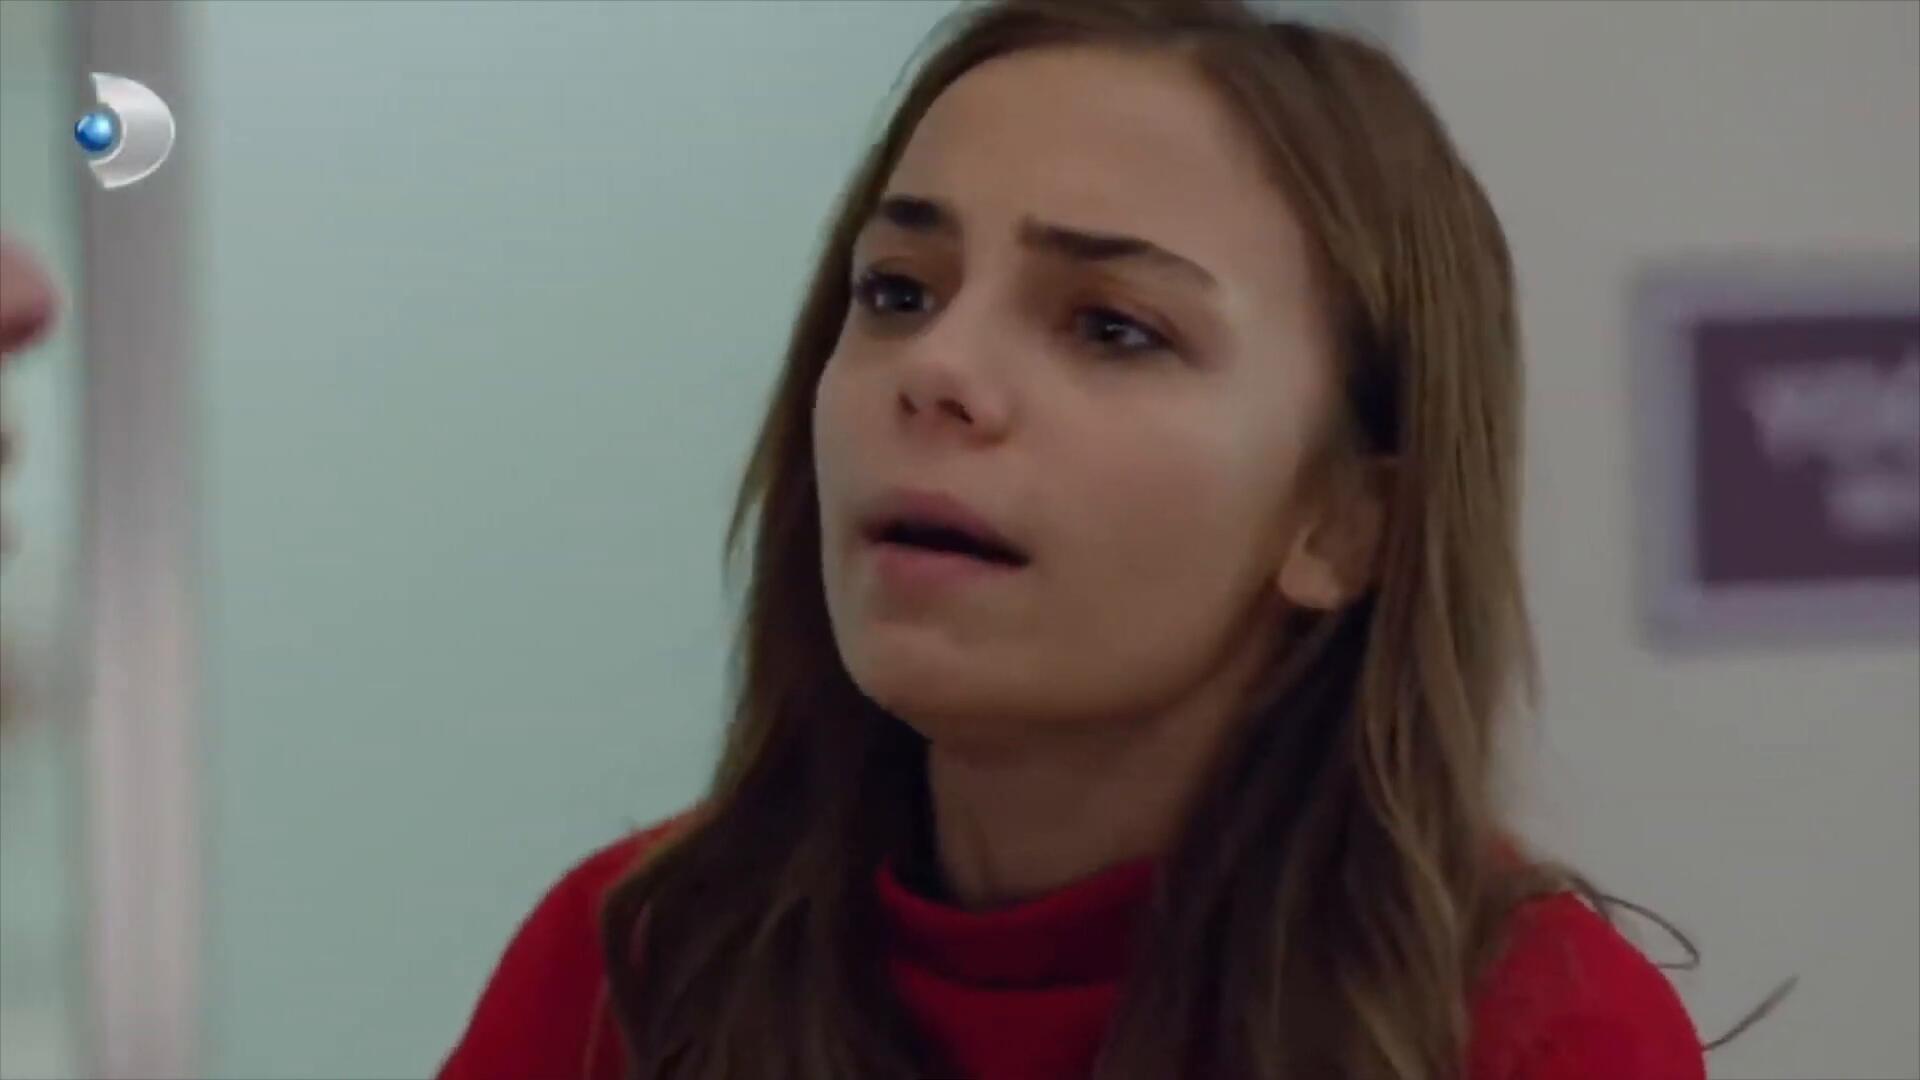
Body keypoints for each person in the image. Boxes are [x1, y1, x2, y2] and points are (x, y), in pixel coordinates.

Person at [440, 1, 1707, 1077]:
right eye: (897, 292)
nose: (937, 371)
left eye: (1111, 328)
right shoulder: (631, 962)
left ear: (1344, 521)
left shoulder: (1534, 1034)